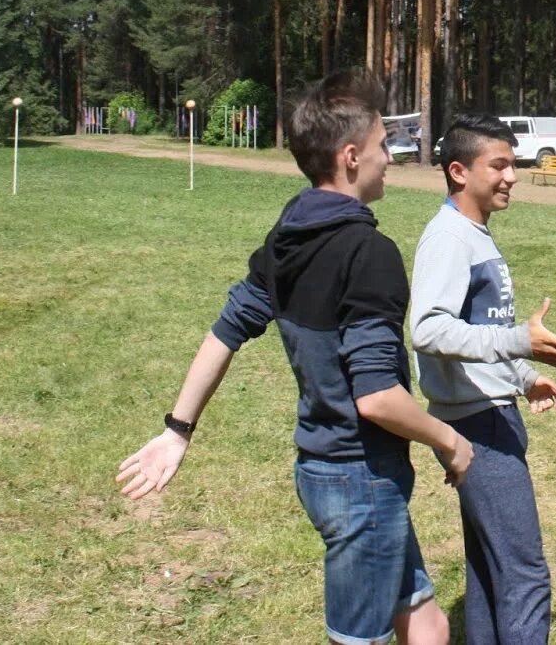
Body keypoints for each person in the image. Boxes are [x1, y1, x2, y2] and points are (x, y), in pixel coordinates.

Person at [115, 71, 473, 645]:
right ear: (351, 156)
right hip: (361, 481)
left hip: (319, 470)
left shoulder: (289, 232)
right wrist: (451, 442)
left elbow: (225, 331)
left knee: (426, 621)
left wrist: (178, 429)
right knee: (360, 638)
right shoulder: (370, 253)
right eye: (383, 146)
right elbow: (377, 396)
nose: (390, 158)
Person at [409, 113, 556, 645]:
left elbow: (480, 329)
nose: (512, 175)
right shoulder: (448, 238)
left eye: (513, 164)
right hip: (476, 426)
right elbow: (428, 329)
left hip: (490, 413)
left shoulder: (474, 234)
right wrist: (517, 343)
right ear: (459, 171)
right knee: (524, 573)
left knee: (490, 564)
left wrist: (524, 375)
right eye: (501, 165)